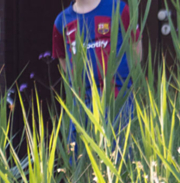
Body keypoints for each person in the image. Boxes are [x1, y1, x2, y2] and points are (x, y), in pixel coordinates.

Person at [53, 0, 142, 148]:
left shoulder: (118, 8)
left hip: (118, 100)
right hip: (81, 104)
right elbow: (63, 58)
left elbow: (135, 44)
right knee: (79, 158)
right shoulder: (61, 21)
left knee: (120, 157)